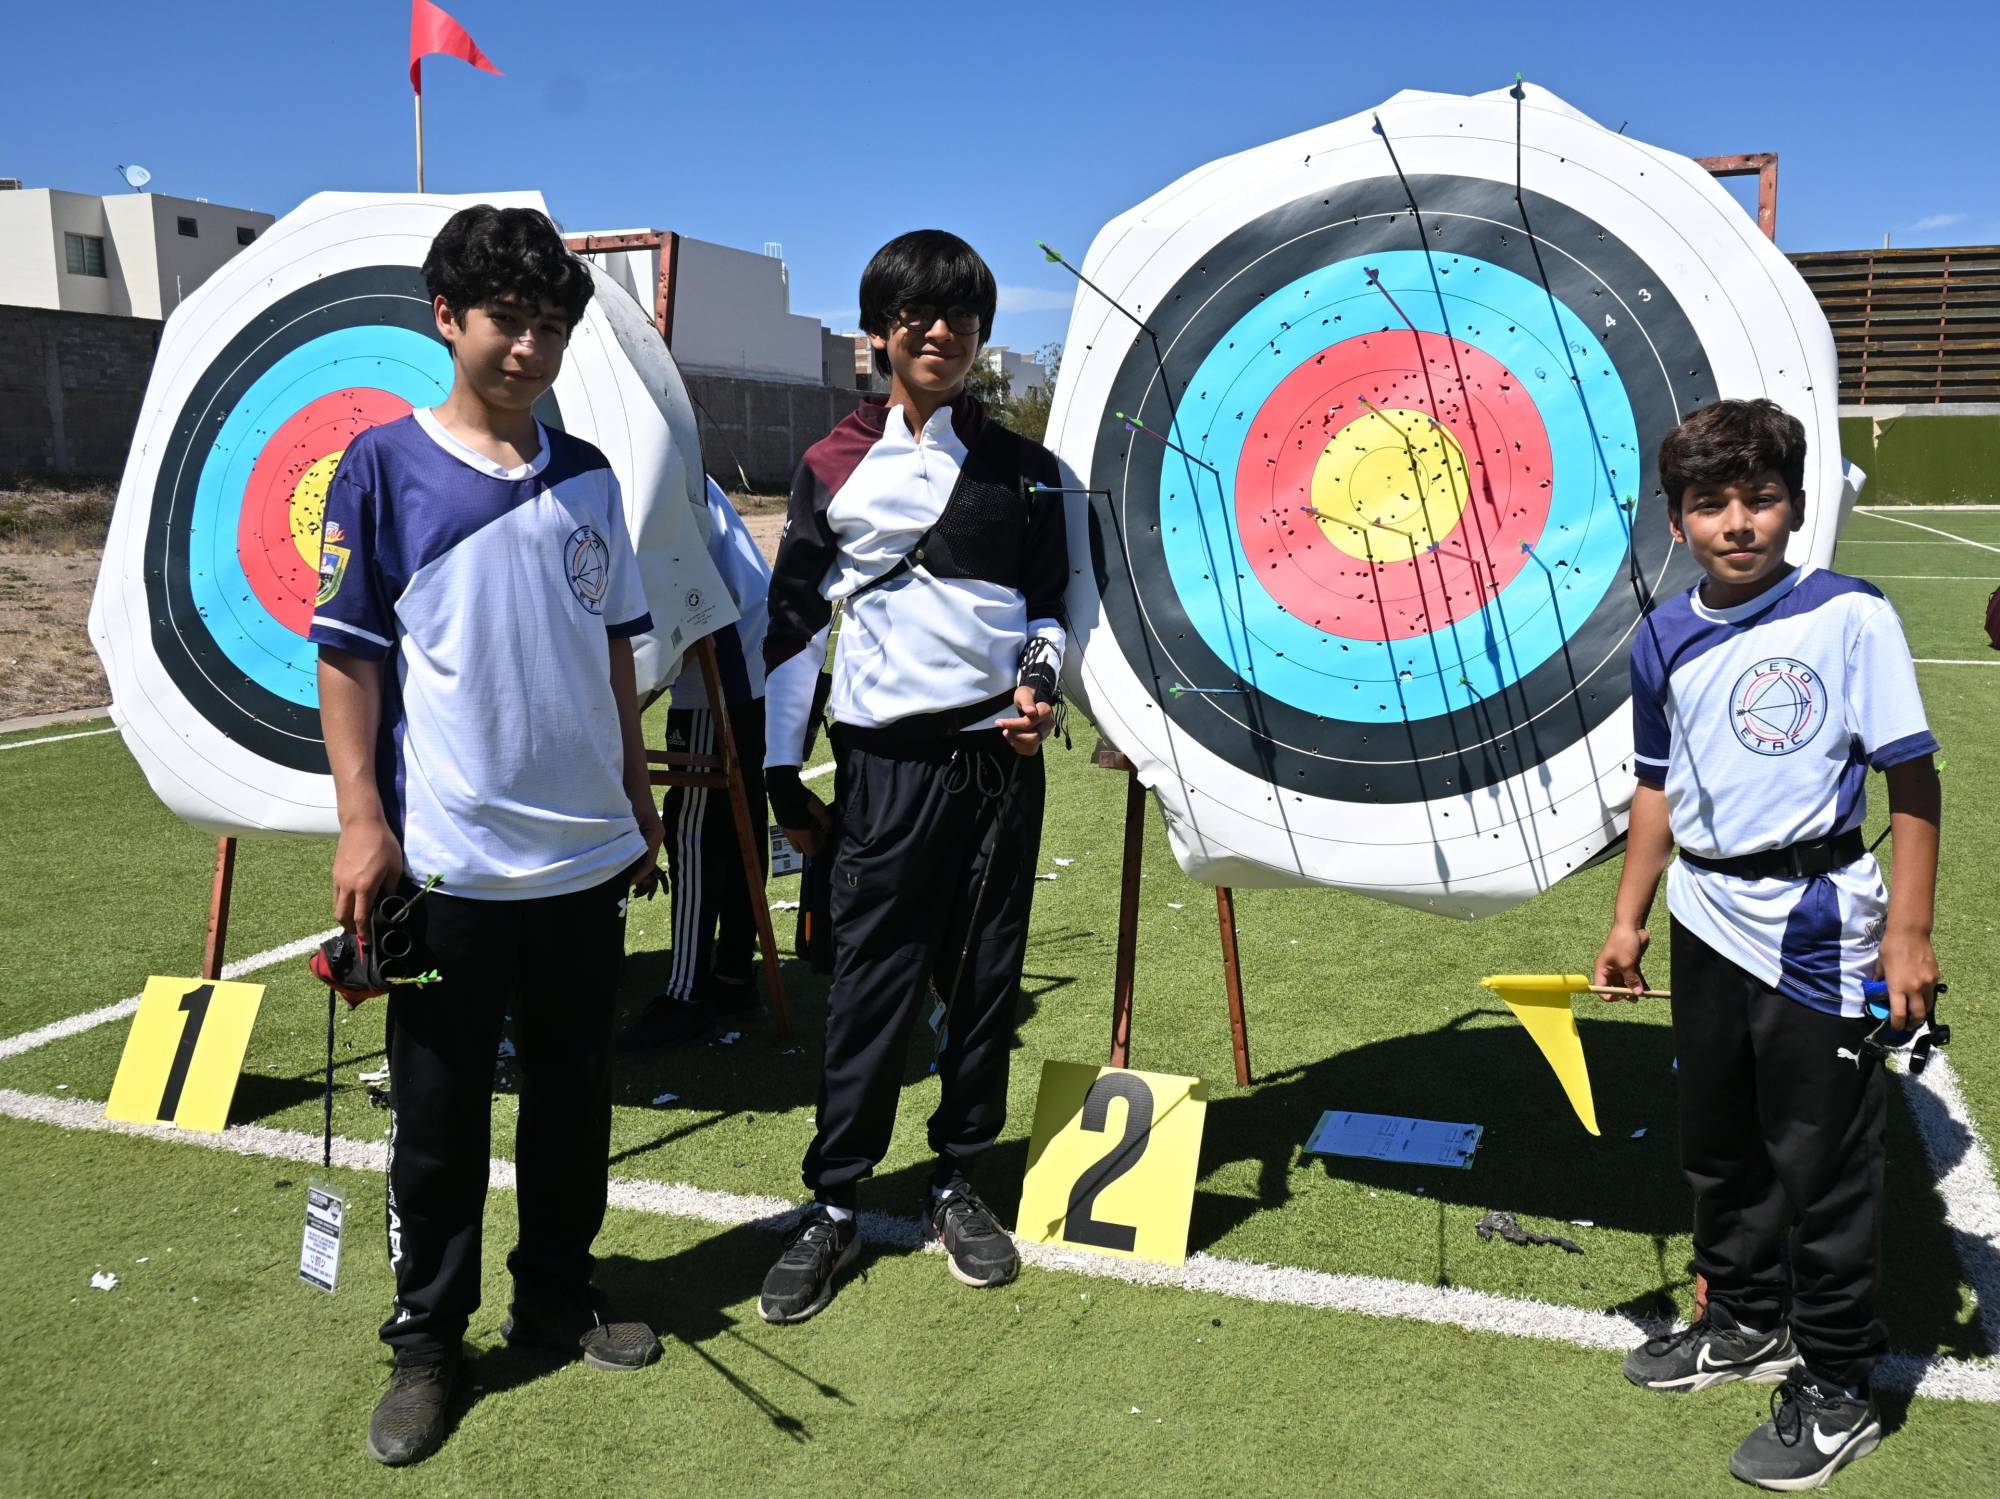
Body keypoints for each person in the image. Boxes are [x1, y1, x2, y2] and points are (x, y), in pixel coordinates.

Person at [311, 204, 667, 1468]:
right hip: (450, 858)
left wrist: (633, 796)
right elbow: (347, 656)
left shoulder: (587, 475)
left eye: (549, 324)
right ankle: (427, 1342)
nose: (528, 345)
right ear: (448, 319)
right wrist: (363, 820)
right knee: (441, 1118)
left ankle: (557, 1295)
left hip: (581, 856)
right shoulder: (383, 466)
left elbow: (614, 651)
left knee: (573, 1097)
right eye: (505, 319)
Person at [1594, 398, 1941, 1491]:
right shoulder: (1659, 635)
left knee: (1823, 1164)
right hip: (1703, 918)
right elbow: (1657, 786)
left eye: (1759, 498)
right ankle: (1742, 1316)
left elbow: (1911, 775)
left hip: (1817, 926)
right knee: (1719, 1142)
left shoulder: (1847, 613)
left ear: (1794, 504)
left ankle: (1838, 1381)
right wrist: (1626, 913)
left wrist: (1908, 931)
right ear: (1675, 518)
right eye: (1710, 503)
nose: (1736, 522)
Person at [755, 229, 1068, 1323]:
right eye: (916, 316)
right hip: (882, 769)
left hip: (997, 765)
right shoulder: (831, 463)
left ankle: (954, 1179)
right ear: (880, 330)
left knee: (983, 981)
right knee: (871, 987)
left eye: (961, 316)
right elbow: (792, 626)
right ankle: (835, 1199)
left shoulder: (1026, 472)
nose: (939, 332)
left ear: (982, 333)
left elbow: (1050, 608)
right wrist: (780, 770)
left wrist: (1039, 683)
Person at [617, 477, 773, 1049]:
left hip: (721, 668)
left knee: (692, 832)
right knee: (735, 825)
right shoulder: (677, 470)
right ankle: (733, 972)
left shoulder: (653, 477)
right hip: (744, 662)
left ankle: (688, 993)